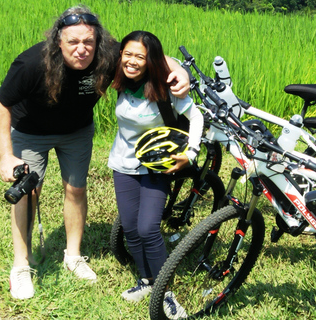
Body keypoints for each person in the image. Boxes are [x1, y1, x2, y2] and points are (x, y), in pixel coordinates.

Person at [0, 5, 190, 300]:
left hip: (77, 131)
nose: (82, 49)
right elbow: (0, 105)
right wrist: (6, 155)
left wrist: (180, 71)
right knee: (28, 193)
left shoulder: (107, 53)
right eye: (73, 41)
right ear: (58, 40)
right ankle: (21, 265)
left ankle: (73, 256)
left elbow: (149, 53)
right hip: (31, 130)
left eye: (88, 41)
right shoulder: (32, 63)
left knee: (76, 189)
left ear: (98, 40)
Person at [108, 30, 203, 310]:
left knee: (148, 228)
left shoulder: (165, 87)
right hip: (122, 164)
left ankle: (166, 294)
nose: (132, 61)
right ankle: (147, 280)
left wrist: (191, 153)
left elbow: (195, 117)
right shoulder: (120, 80)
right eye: (128, 54)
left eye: (141, 56)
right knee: (130, 228)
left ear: (152, 60)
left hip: (156, 166)